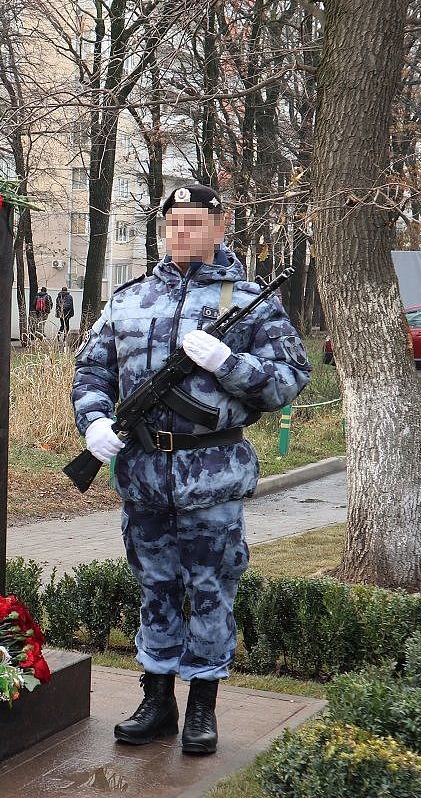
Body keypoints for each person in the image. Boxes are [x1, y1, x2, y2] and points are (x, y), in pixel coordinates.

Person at [71, 183, 310, 755]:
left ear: (219, 226)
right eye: (172, 221)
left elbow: (289, 379)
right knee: (154, 586)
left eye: (193, 220)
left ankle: (202, 707)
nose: (180, 231)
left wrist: (230, 364)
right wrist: (94, 423)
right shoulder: (127, 299)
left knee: (209, 590)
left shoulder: (247, 300)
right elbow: (91, 373)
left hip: (212, 478)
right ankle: (157, 701)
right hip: (144, 476)